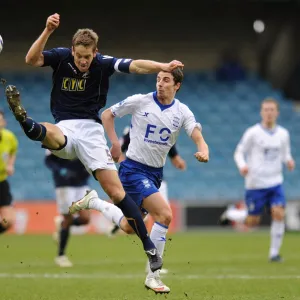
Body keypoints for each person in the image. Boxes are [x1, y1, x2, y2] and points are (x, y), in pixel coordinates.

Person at [4, 13, 183, 272]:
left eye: (87, 56)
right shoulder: (62, 56)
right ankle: (25, 121)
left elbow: (135, 65)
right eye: (79, 56)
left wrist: (162, 66)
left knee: (116, 193)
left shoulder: (103, 62)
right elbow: (31, 59)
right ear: (73, 50)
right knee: (51, 134)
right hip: (65, 125)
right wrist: (47, 31)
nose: (83, 61)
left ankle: (150, 248)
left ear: (95, 52)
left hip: (92, 131)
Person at [69, 67, 209, 293]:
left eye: (166, 80)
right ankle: (153, 276)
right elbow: (107, 115)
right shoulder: (140, 101)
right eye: (158, 79)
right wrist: (114, 143)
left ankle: (94, 202)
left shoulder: (182, 111)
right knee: (164, 214)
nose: (160, 83)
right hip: (133, 170)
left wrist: (203, 149)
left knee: (128, 226)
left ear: (177, 85)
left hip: (155, 173)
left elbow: (196, 134)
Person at [219, 98, 295, 262]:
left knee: (279, 214)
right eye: (266, 110)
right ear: (261, 112)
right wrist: (242, 165)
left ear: (277, 113)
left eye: (272, 110)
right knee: (253, 222)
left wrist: (289, 160)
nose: (269, 113)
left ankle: (274, 254)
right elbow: (239, 152)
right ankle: (231, 213)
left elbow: (285, 153)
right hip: (255, 184)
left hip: (275, 182)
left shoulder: (283, 134)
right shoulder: (252, 133)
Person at [109, 127, 186, 275]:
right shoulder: (133, 128)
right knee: (159, 217)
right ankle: (153, 266)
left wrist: (175, 156)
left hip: (157, 179)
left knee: (150, 221)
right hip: (138, 178)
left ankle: (152, 265)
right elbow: (120, 148)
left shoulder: (163, 122)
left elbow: (165, 139)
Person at [45, 150, 91, 267]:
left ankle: (61, 224)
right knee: (68, 219)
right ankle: (61, 255)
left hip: (81, 182)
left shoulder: (85, 135)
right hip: (64, 183)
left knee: (85, 219)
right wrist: (61, 170)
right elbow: (48, 160)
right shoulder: (59, 134)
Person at [0, 110, 18, 234]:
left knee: (9, 221)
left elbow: (13, 150)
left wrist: (10, 165)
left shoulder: (9, 137)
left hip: (2, 182)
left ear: (4, 122)